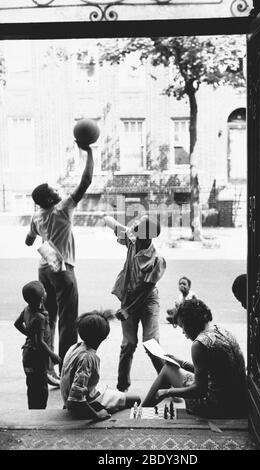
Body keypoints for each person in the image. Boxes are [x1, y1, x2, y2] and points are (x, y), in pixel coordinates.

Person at [25, 142, 94, 387]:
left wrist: (43, 235)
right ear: (49, 198)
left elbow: (28, 241)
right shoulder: (63, 209)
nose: (57, 191)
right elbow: (86, 182)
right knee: (68, 321)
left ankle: (48, 368)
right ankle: (66, 368)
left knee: (49, 318)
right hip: (62, 271)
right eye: (53, 190)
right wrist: (89, 152)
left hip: (43, 269)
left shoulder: (37, 216)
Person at [142, 298, 247, 418]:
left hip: (218, 407)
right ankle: (140, 411)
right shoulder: (222, 332)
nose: (183, 333)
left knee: (167, 370)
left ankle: (139, 413)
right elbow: (213, 373)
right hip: (237, 402)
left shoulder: (200, 344)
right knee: (171, 367)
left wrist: (167, 392)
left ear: (190, 323)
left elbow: (199, 390)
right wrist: (181, 362)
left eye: (182, 327)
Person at [97, 212, 166, 392]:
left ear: (147, 234)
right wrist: (106, 218)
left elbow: (146, 290)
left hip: (147, 301)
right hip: (128, 297)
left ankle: (167, 384)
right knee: (128, 344)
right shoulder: (132, 239)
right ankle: (122, 388)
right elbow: (116, 226)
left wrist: (127, 309)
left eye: (140, 224)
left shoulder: (156, 259)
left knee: (151, 344)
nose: (135, 224)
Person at [60, 310, 140, 421]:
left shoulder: (75, 347)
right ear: (104, 336)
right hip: (82, 404)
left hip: (71, 399)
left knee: (110, 391)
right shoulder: (88, 357)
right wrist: (97, 415)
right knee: (136, 399)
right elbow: (76, 398)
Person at [14, 281, 61, 409]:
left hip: (27, 354)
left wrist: (29, 334)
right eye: (44, 291)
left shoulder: (27, 309)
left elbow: (17, 324)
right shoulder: (40, 317)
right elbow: (40, 343)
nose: (46, 292)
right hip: (37, 357)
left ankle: (32, 409)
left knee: (31, 384)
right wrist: (53, 355)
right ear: (42, 297)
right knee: (41, 387)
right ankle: (39, 412)